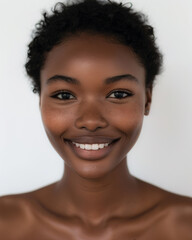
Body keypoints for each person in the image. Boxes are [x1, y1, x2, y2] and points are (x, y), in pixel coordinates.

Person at [0, 0, 191, 239]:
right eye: (64, 95)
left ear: (147, 99)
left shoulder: (185, 226)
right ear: (41, 101)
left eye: (118, 94)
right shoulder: (5, 224)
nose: (90, 121)